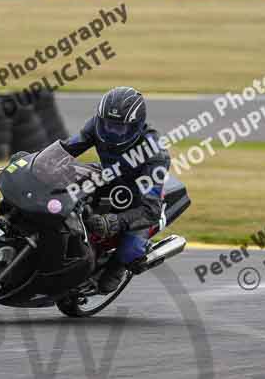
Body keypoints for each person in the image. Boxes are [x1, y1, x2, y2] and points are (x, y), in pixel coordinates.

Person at [60, 86, 191, 293]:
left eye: (119, 128)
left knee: (125, 259)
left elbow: (151, 210)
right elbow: (67, 149)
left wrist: (115, 221)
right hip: (109, 177)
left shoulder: (154, 154)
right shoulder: (96, 126)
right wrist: (35, 160)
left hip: (140, 199)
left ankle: (117, 266)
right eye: (107, 125)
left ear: (136, 126)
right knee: (64, 187)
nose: (111, 132)